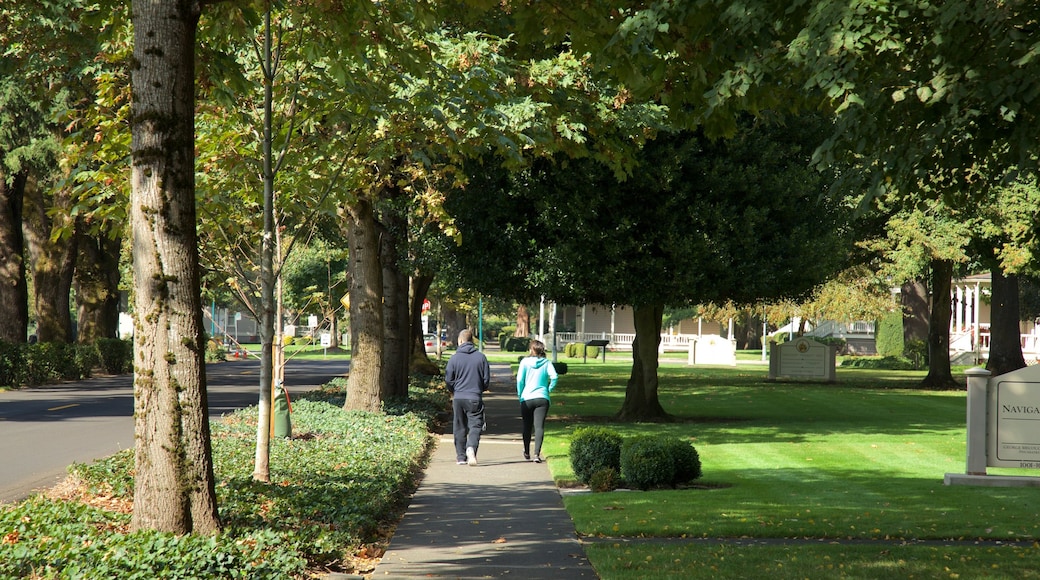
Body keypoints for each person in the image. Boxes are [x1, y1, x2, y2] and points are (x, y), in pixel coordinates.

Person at [445, 329, 491, 466]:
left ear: (460, 341)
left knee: (459, 426)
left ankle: (460, 457)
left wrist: (453, 390)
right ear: (472, 341)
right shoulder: (481, 357)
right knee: (476, 425)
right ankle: (471, 447)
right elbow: (486, 380)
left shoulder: (454, 358)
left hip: (458, 397)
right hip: (474, 396)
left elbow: (448, 379)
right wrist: (480, 389)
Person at [516, 339, 558, 463]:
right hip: (542, 398)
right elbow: (554, 376)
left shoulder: (524, 362)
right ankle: (536, 454)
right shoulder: (547, 363)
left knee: (527, 426)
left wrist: (520, 395)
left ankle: (526, 451)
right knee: (539, 427)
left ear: (531, 350)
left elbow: (519, 380)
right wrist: (548, 389)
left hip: (527, 398)